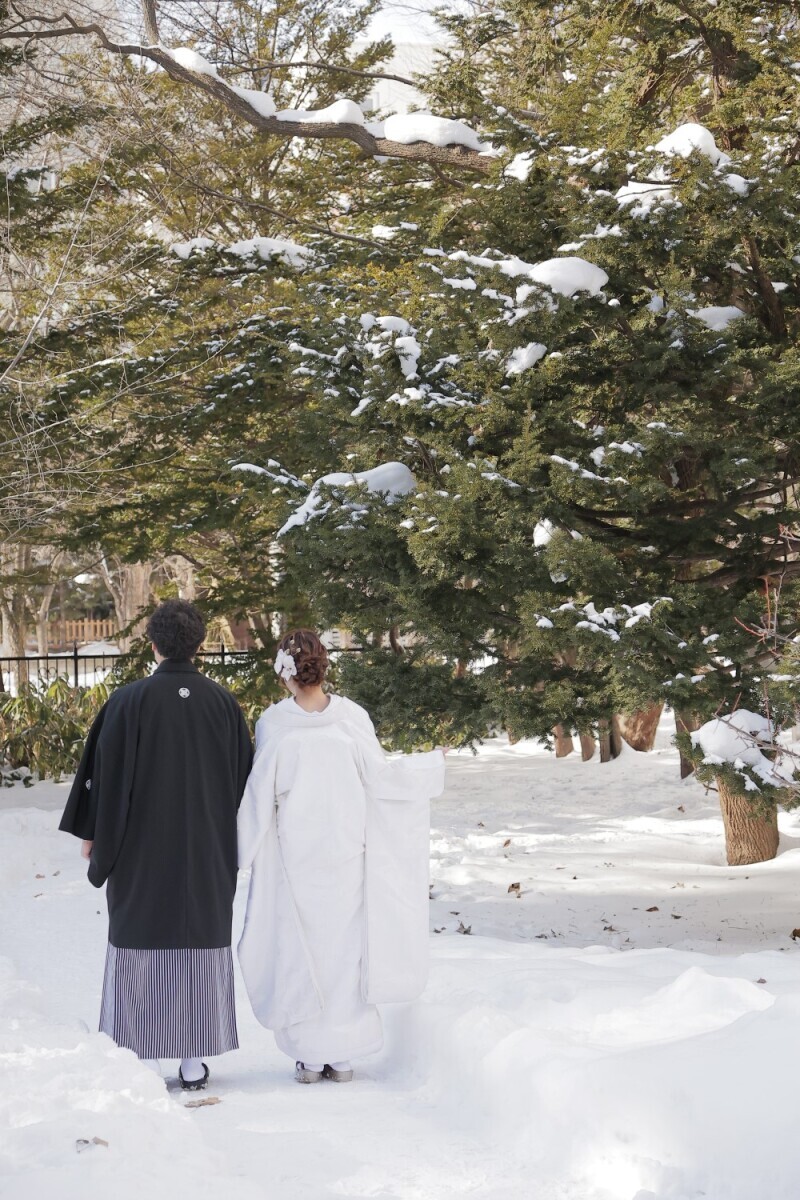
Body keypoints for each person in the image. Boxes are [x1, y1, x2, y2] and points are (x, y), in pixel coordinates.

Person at [237, 629, 447, 1084]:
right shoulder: (351, 717)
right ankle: (344, 1054)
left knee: (302, 950)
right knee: (346, 949)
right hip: (347, 847)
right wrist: (428, 767)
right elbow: (382, 778)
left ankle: (311, 1057)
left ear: (284, 672)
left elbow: (258, 793)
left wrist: (240, 847)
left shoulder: (274, 723)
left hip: (298, 852)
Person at [59, 600, 253, 1091]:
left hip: (140, 847)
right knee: (199, 941)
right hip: (206, 847)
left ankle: (140, 1056)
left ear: (153, 645)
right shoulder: (223, 704)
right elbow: (243, 783)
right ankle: (192, 1061)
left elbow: (104, 780)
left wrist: (95, 835)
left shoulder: (128, 701)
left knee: (140, 939)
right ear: (200, 646)